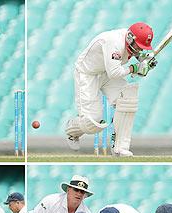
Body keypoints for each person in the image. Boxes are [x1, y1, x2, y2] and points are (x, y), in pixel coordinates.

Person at [65, 22, 158, 157]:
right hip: (87, 74)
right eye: (138, 47)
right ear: (130, 38)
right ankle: (72, 130)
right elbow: (114, 73)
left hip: (106, 74)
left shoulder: (133, 41)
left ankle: (120, 148)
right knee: (92, 121)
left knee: (128, 99)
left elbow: (133, 56)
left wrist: (144, 61)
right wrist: (135, 68)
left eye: (142, 48)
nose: (139, 49)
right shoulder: (113, 42)